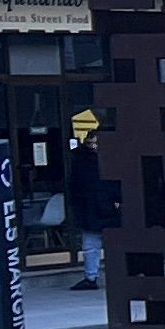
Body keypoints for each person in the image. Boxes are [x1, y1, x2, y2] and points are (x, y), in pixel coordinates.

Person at [65, 115, 117, 291]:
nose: (93, 144)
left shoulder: (83, 159)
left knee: (99, 244)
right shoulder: (85, 160)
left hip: (100, 206)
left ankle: (93, 276)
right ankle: (93, 276)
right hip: (97, 206)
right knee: (94, 244)